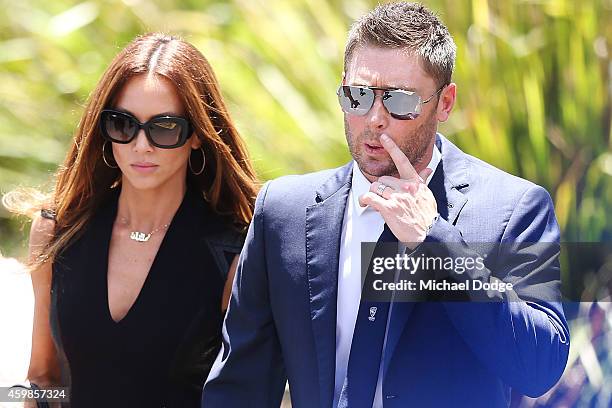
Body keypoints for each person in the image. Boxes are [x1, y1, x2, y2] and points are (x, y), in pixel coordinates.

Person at [202, 3, 570, 408]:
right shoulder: (283, 211)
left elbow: (540, 366)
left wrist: (436, 243)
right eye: (358, 96)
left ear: (444, 103)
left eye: (399, 100)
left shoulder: (514, 208)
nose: (375, 118)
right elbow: (239, 386)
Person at [2, 33, 259, 407]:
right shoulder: (57, 231)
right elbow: (43, 379)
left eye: (165, 127)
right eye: (123, 124)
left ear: (198, 136)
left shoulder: (233, 253)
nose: (141, 145)